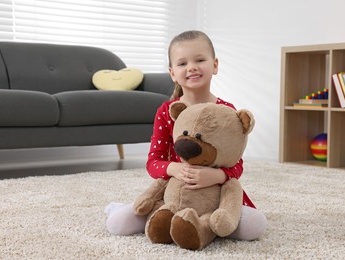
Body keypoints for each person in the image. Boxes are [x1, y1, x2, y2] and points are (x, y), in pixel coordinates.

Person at [105, 30, 267, 240]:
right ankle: (150, 214)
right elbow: (153, 162)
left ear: (215, 65)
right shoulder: (167, 111)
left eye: (200, 60)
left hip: (215, 196)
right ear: (172, 73)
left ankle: (203, 224)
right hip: (173, 194)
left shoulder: (227, 112)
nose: (191, 67)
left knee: (255, 227)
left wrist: (218, 176)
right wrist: (174, 168)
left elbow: (237, 164)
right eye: (182, 64)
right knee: (118, 224)